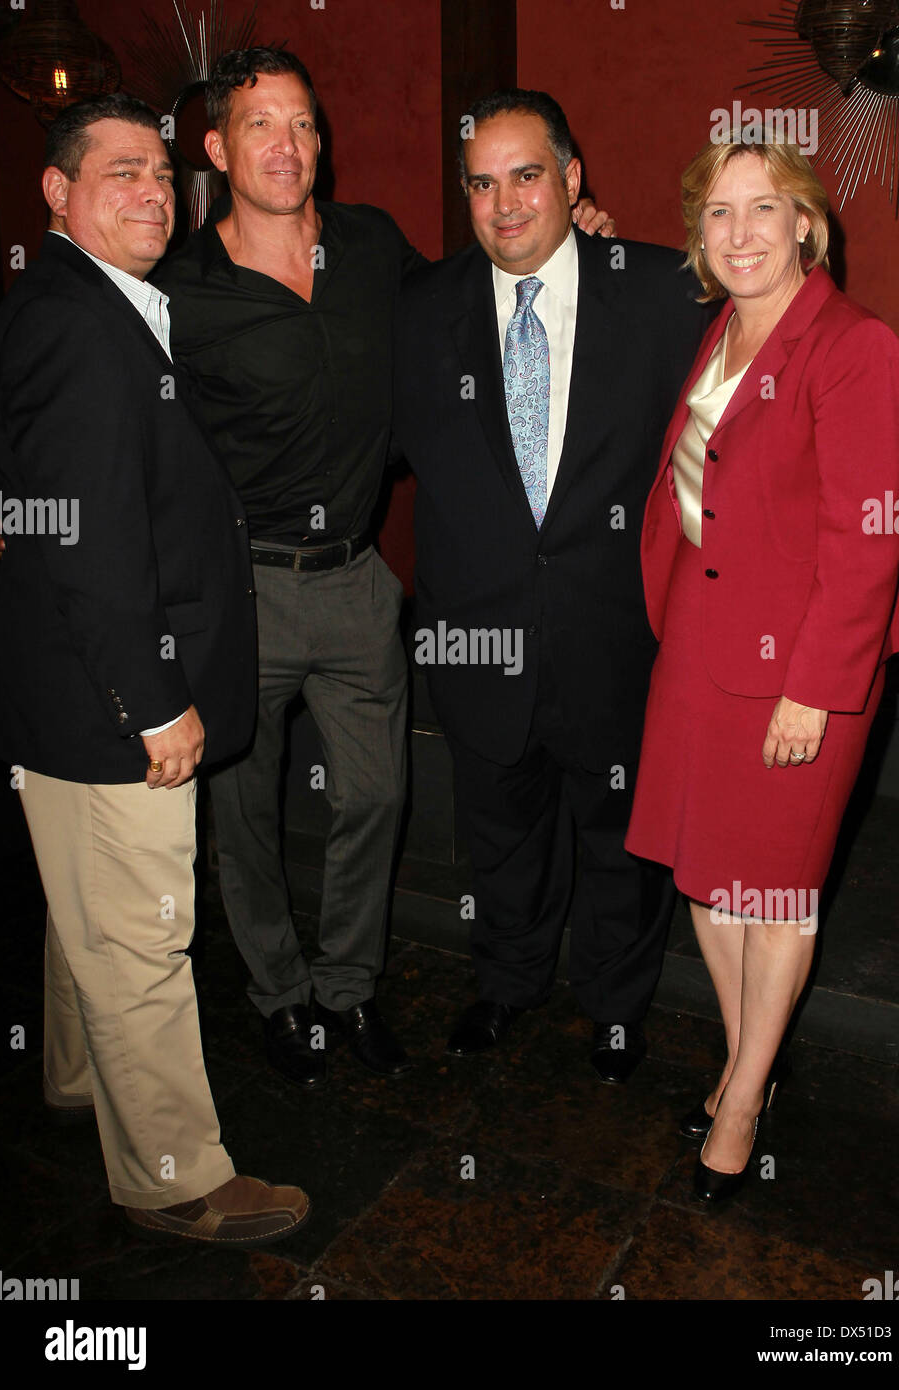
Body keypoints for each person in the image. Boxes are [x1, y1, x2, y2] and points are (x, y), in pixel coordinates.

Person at [152, 50, 612, 1088]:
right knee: (245, 816)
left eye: (304, 123)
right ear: (218, 149)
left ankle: (346, 989)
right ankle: (277, 998)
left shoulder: (370, 247)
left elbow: (472, 301)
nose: (288, 145)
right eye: (261, 125)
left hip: (358, 582)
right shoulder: (178, 287)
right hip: (240, 587)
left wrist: (567, 248)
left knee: (374, 798)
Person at [0, 93, 308, 1245]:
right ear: (57, 193)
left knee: (88, 908)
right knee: (141, 932)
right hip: (109, 698)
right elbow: (83, 536)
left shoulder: (99, 302)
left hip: (68, 694)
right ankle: (174, 1174)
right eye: (119, 170)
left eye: (161, 173)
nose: (150, 189)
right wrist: (153, 698)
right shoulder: (77, 320)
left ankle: (79, 1081)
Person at [393, 89, 710, 1081]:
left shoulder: (664, 292)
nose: (502, 203)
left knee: (620, 842)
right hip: (474, 637)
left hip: (616, 635)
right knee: (498, 832)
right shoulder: (419, 311)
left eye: (525, 175)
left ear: (572, 182)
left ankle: (616, 1008)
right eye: (480, 183)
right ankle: (508, 981)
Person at [624, 132, 899, 1201]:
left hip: (799, 670)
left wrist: (811, 686)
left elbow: (864, 536)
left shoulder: (852, 346)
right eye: (717, 213)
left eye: (763, 208)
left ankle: (740, 1100)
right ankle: (756, 1056)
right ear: (698, 236)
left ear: (804, 222)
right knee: (709, 881)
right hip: (700, 652)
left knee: (773, 894)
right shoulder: (718, 334)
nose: (740, 231)